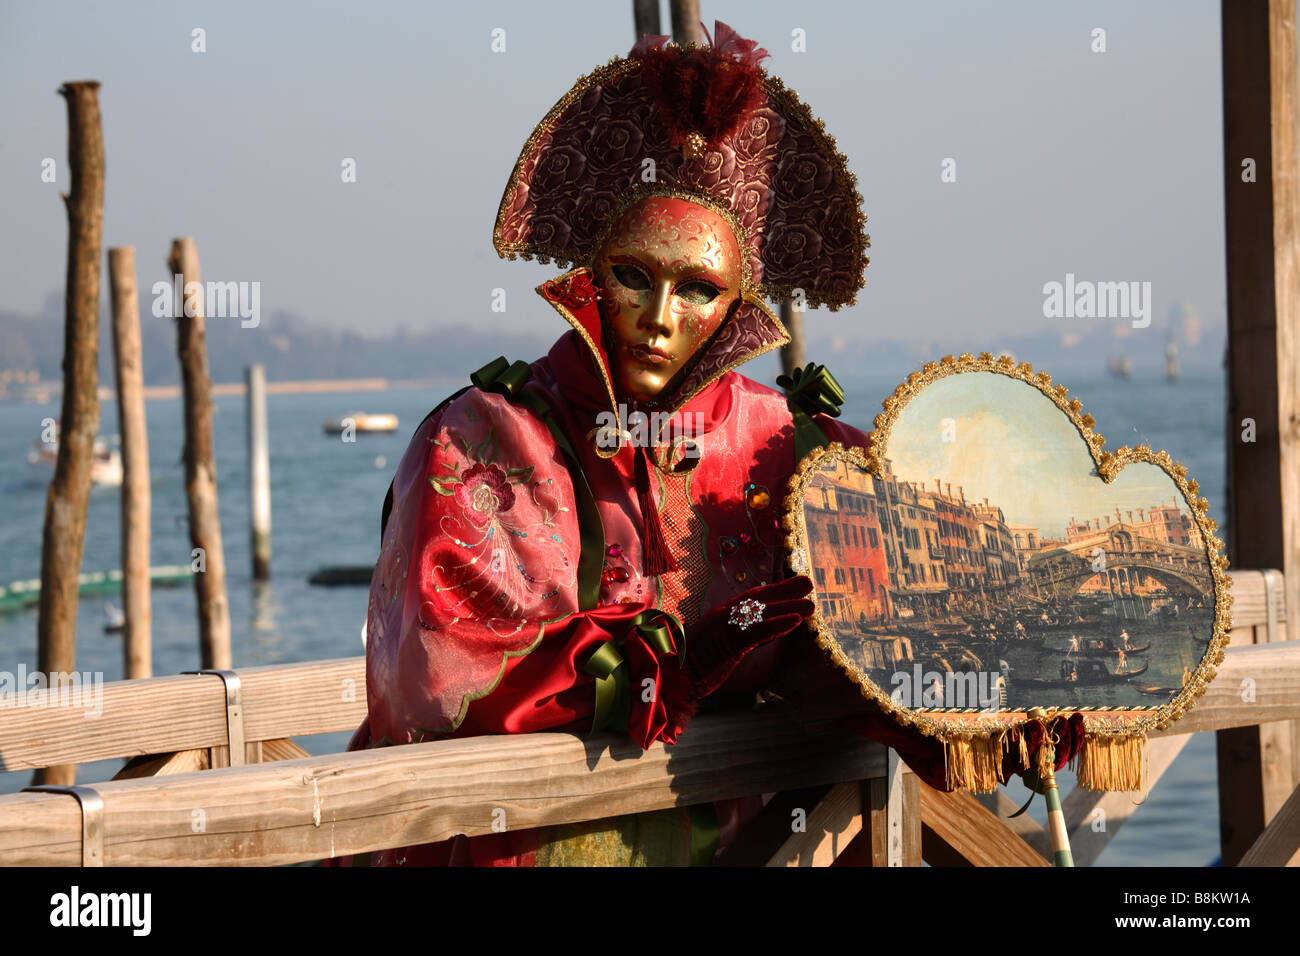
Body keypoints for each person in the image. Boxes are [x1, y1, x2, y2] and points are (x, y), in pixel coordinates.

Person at [340, 22, 1072, 867]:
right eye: (633, 277)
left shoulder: (791, 449)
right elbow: (444, 680)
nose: (659, 320)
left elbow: (872, 648)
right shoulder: (479, 443)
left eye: (697, 289)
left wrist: (986, 702)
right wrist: (677, 660)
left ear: (738, 303)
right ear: (588, 272)